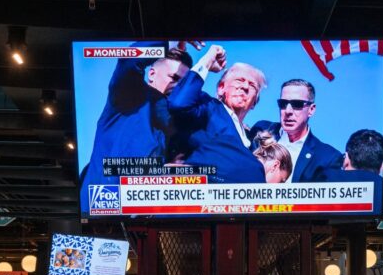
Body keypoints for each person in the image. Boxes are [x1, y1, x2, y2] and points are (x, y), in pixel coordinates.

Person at [81, 44, 195, 188]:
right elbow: (129, 59)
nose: (178, 87)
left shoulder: (177, 124)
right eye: (174, 77)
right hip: (106, 197)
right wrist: (167, 42)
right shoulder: (128, 95)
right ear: (152, 74)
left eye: (183, 84)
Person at [167, 44, 267, 183]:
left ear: (254, 103)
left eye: (252, 85)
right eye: (239, 80)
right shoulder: (209, 106)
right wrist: (207, 60)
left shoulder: (253, 140)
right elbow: (179, 104)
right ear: (221, 88)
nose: (245, 87)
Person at [249, 79, 343, 183]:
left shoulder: (328, 158)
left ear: (311, 109)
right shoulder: (260, 130)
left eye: (297, 104)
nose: (288, 111)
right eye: (283, 103)